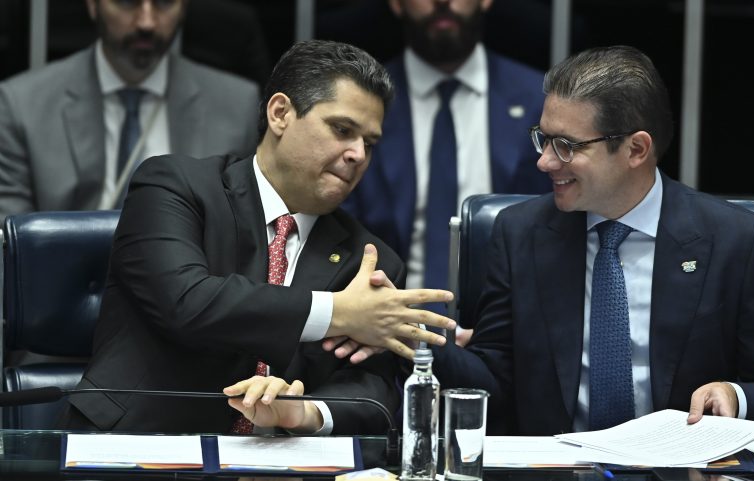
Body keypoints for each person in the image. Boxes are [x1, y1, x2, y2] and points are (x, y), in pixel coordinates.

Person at [56, 39, 456, 435]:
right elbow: (187, 302)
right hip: (134, 445)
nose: (358, 155)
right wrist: (338, 312)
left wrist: (304, 413)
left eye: (368, 143)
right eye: (341, 129)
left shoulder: (370, 260)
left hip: (278, 461)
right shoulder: (175, 186)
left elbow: (373, 391)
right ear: (280, 113)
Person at [431, 45, 754, 435]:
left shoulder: (735, 241)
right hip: (558, 463)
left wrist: (735, 395)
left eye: (566, 146)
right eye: (543, 139)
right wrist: (420, 341)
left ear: (636, 149)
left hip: (679, 463)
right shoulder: (519, 234)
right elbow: (492, 386)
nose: (545, 161)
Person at [341, 0, 549, 306]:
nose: (442, 2)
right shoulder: (361, 102)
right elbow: (339, 225)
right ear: (396, 4)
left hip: (509, 315)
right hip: (382, 312)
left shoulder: (539, 100)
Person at [0, 0, 258, 218]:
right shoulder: (21, 105)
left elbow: (247, 237)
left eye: (164, 3)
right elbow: (11, 246)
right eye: (127, 2)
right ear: (93, 5)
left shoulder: (237, 107)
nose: (147, 23)